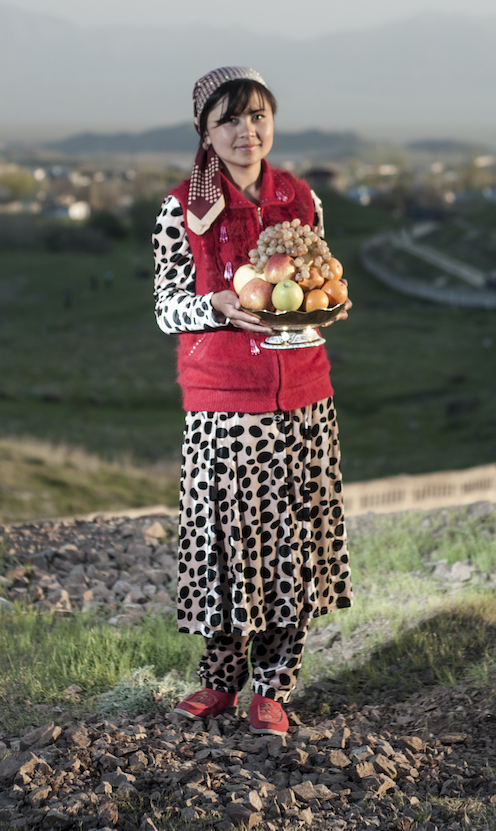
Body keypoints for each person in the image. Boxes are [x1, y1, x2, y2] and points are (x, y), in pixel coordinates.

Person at [151, 66, 353, 735]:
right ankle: (219, 680)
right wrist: (211, 306)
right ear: (205, 133)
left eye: (259, 116)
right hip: (223, 403)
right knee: (226, 546)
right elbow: (165, 309)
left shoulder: (301, 199)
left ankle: (274, 686)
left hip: (301, 395)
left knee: (289, 544)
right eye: (230, 119)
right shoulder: (181, 208)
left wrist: (327, 300)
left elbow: (318, 281)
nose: (248, 131)